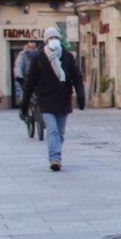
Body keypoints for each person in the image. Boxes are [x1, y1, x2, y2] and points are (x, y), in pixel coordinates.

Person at [22, 27, 85, 170]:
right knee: (52, 130)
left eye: (56, 38)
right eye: (50, 38)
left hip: (63, 99)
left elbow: (76, 76)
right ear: (45, 41)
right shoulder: (39, 58)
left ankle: (56, 153)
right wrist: (25, 104)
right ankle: (55, 158)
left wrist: (80, 95)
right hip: (46, 100)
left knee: (60, 133)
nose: (54, 41)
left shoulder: (67, 56)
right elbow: (31, 81)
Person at [13, 41, 38, 109]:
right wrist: (19, 76)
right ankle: (24, 110)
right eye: (30, 47)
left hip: (36, 79)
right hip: (25, 79)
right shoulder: (22, 55)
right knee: (25, 97)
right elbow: (18, 66)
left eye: (33, 47)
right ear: (26, 47)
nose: (32, 49)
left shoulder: (39, 55)